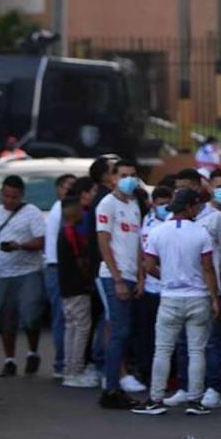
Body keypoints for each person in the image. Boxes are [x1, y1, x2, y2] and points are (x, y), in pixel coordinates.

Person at [133, 189, 220, 415]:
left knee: (162, 350)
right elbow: (208, 268)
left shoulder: (158, 232)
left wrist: (167, 277)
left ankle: (155, 399)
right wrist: (214, 297)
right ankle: (195, 400)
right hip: (197, 296)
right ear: (189, 207)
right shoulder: (201, 232)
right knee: (196, 350)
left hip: (170, 297)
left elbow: (149, 266)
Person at [174, 169, 221, 405]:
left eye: (186, 186)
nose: (181, 191)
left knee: (211, 340)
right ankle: (185, 386)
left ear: (198, 187)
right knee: (183, 342)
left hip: (209, 288)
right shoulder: (175, 218)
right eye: (178, 188)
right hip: (184, 288)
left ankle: (212, 386)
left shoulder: (215, 217)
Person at [0, 175, 47, 378]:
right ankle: (9, 360)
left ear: (22, 196)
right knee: (5, 318)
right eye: (6, 196)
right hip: (4, 273)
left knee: (31, 315)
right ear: (1, 193)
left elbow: (41, 241)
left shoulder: (32, 213)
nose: (9, 200)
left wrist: (20, 245)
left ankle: (33, 352)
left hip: (29, 271)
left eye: (14, 197)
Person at [95, 159, 145, 408]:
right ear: (113, 178)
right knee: (119, 332)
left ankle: (113, 386)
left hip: (131, 275)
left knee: (124, 332)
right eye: (124, 175)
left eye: (132, 175)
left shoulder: (134, 205)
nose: (129, 179)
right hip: (114, 275)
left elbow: (138, 244)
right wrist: (117, 279)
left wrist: (140, 276)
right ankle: (111, 388)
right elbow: (103, 242)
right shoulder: (107, 204)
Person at [133, 186, 172, 395]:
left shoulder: (175, 222)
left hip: (169, 290)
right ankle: (146, 373)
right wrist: (142, 280)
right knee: (148, 336)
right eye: (161, 204)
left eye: (168, 203)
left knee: (167, 339)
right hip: (152, 288)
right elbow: (143, 258)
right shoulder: (147, 224)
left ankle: (168, 377)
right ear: (153, 204)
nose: (165, 207)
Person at [56, 197, 94, 388]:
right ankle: (76, 371)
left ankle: (69, 369)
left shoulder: (63, 232)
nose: (82, 214)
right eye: (79, 210)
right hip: (77, 287)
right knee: (81, 328)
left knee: (72, 327)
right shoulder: (71, 233)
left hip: (66, 288)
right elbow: (80, 260)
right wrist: (89, 279)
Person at [43, 173, 77, 378]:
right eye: (67, 186)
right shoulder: (62, 208)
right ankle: (61, 363)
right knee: (62, 318)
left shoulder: (64, 208)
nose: (70, 190)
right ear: (58, 189)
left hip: (58, 267)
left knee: (67, 317)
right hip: (58, 267)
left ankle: (64, 361)